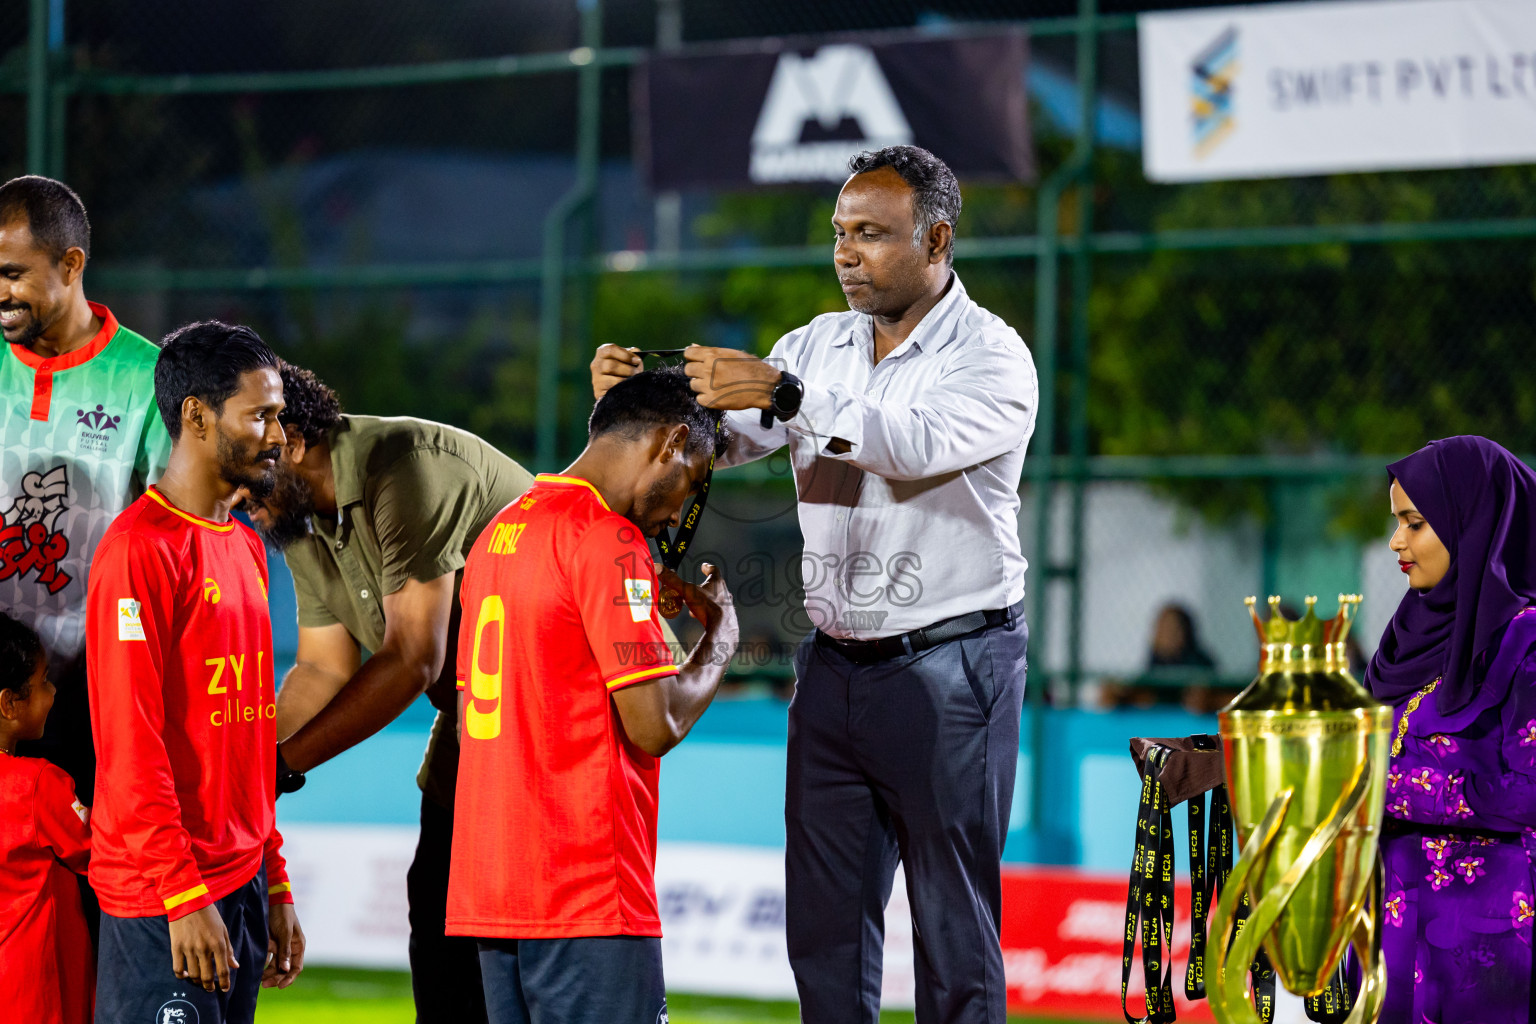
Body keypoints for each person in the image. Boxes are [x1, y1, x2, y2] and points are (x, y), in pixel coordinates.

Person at [592, 146, 1036, 1024]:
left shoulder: (994, 358)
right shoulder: (815, 343)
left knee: (954, 934)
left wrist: (790, 396)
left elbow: (907, 443)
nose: (846, 254)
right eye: (840, 233)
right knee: (826, 935)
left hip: (956, 665)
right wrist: (635, 405)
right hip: (831, 666)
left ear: (937, 239)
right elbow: (719, 442)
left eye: (871, 234)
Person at [240, 360, 533, 1023]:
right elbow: (320, 670)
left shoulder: (401, 464)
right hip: (476, 717)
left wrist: (279, 768)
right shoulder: (295, 516)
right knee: (436, 906)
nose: (234, 495)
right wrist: (241, 764)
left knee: (505, 936)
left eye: (243, 466)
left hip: (554, 723)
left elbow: (410, 659)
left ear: (287, 440)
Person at [447, 366, 738, 1024]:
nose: (674, 515)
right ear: (667, 445)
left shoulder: (497, 536)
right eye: (688, 484)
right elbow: (653, 725)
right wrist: (722, 635)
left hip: (494, 896)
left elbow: (473, 723)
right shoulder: (610, 542)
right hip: (585, 893)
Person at [86, 321, 303, 1024]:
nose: (278, 435)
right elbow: (130, 743)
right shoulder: (136, 552)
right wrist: (182, 894)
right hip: (165, 897)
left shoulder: (246, 549)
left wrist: (274, 880)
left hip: (237, 886)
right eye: (261, 414)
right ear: (196, 416)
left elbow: (249, 732)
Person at [0, 175, 170, 809]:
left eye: (13, 274)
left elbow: (174, 540)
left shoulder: (146, 380)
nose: (1, 292)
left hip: (94, 691)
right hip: (1, 691)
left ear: (71, 265)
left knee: (83, 888)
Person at [1365, 435, 1536, 1023]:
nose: (1396, 543)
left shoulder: (1526, 639)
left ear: (1473, 523)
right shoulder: (1405, 636)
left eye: (1414, 524)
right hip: (1388, 941)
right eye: (1397, 523)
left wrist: (1376, 784)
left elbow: (1526, 792)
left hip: (1489, 959)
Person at [0, 610, 93, 1024]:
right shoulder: (37, 784)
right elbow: (98, 852)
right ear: (8, 703)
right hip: (37, 993)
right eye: (42, 683)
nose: (53, 692)